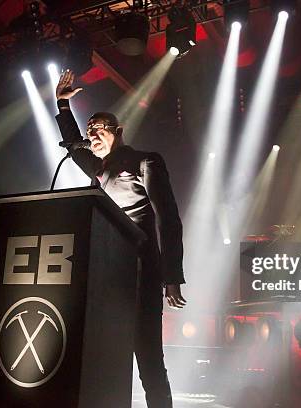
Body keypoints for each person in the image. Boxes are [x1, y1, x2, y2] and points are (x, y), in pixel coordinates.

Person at [54, 69, 186, 408]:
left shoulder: (145, 161)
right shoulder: (98, 170)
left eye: (98, 128)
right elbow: (72, 145)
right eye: (89, 130)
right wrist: (63, 107)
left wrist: (171, 277)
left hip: (143, 273)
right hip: (108, 275)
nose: (92, 134)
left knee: (148, 360)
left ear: (119, 131)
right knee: (103, 355)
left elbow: (168, 220)